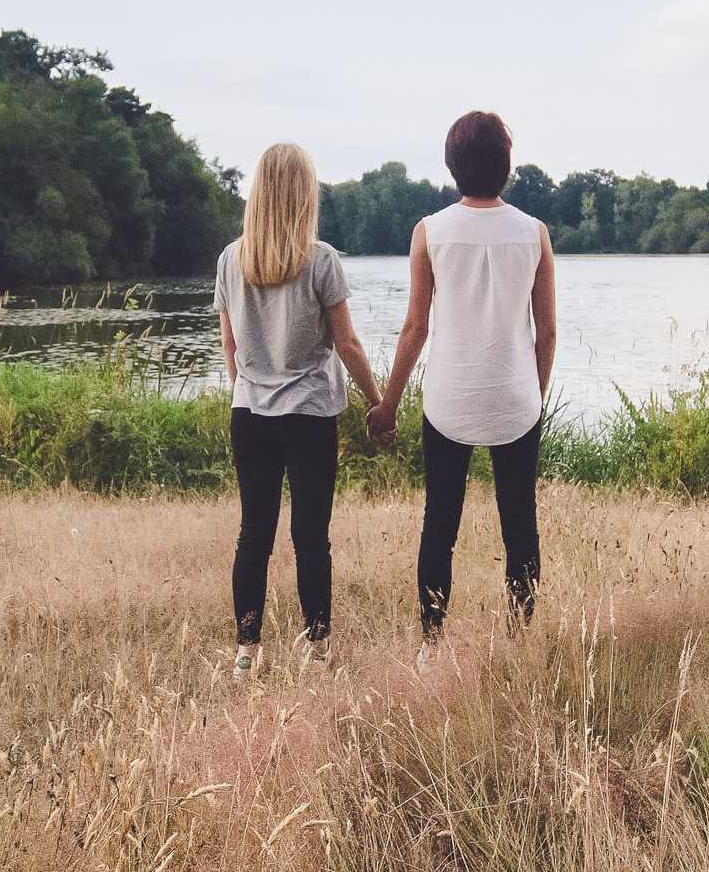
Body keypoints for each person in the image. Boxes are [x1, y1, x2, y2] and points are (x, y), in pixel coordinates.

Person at [369, 110, 557, 643]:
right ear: (506, 164)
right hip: (515, 403)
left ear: (453, 165)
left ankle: (432, 642)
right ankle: (519, 639)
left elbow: (415, 326)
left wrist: (387, 404)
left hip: (448, 402)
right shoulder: (535, 234)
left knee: (439, 526)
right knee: (520, 526)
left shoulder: (429, 231)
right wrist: (534, 396)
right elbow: (547, 334)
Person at [216, 142, 382, 677]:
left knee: (253, 533)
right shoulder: (321, 259)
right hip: (309, 414)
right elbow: (348, 344)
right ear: (305, 194)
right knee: (311, 537)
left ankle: (246, 652)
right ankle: (316, 651)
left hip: (251, 414)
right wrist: (379, 403)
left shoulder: (230, 258)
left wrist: (249, 391)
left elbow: (230, 347)